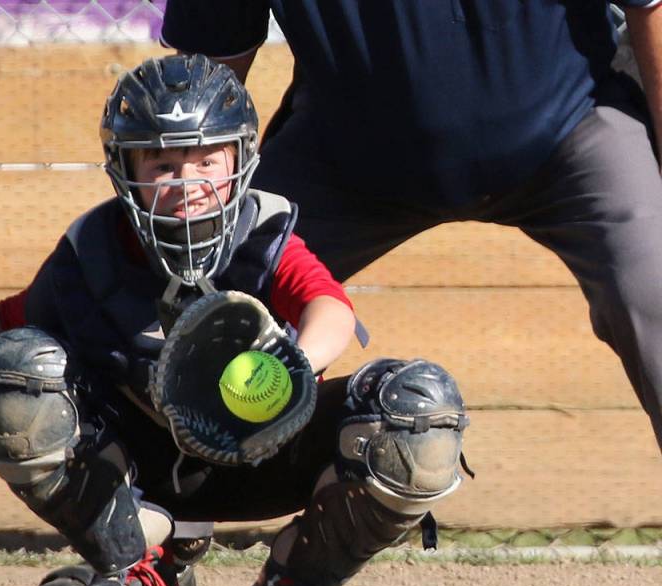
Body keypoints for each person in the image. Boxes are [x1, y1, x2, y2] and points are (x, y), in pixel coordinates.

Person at [0, 54, 468, 586]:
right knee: (17, 373)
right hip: (143, 471)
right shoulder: (94, 253)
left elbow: (331, 308)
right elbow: (3, 322)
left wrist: (293, 363)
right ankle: (138, 568)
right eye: (162, 162)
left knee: (421, 410)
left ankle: (300, 577)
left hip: (266, 445)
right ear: (124, 167)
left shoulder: (263, 235)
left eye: (208, 159)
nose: (188, 182)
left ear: (243, 159)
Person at [161, 1, 662, 451]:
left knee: (653, 285)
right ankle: (177, 514)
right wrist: (200, 236)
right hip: (349, 152)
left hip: (570, 125)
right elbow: (209, 69)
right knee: (208, 309)